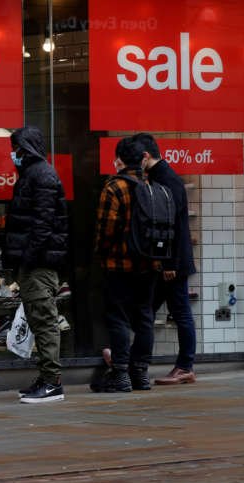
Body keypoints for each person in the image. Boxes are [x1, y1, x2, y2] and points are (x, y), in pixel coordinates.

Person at [2, 126, 69, 404]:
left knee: (43, 321)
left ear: (27, 148)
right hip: (35, 261)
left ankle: (52, 382)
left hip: (38, 263)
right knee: (39, 319)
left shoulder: (41, 175)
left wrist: (27, 258)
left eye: (17, 148)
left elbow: (42, 224)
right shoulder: (35, 173)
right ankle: (46, 378)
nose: (13, 154)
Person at [93, 136, 158, 393]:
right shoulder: (153, 186)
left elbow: (105, 230)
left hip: (119, 264)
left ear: (119, 159)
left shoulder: (114, 187)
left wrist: (100, 256)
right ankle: (140, 373)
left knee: (118, 317)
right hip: (150, 264)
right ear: (142, 158)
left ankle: (120, 374)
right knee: (144, 318)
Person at [135, 133, 198, 385]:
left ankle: (185, 365)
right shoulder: (163, 177)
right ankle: (137, 359)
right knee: (147, 309)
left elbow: (172, 225)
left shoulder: (167, 180)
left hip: (173, 263)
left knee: (179, 311)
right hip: (169, 261)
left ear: (145, 156)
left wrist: (170, 263)